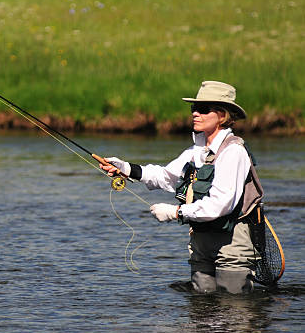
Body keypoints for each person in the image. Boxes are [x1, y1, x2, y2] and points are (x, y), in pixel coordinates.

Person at [100, 81, 262, 294]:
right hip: (201, 241)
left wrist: (174, 213)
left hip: (232, 243)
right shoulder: (196, 152)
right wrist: (126, 168)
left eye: (203, 110)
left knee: (232, 309)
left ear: (222, 116)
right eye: (194, 109)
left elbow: (220, 204)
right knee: (201, 307)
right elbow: (165, 177)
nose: (196, 114)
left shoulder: (233, 152)